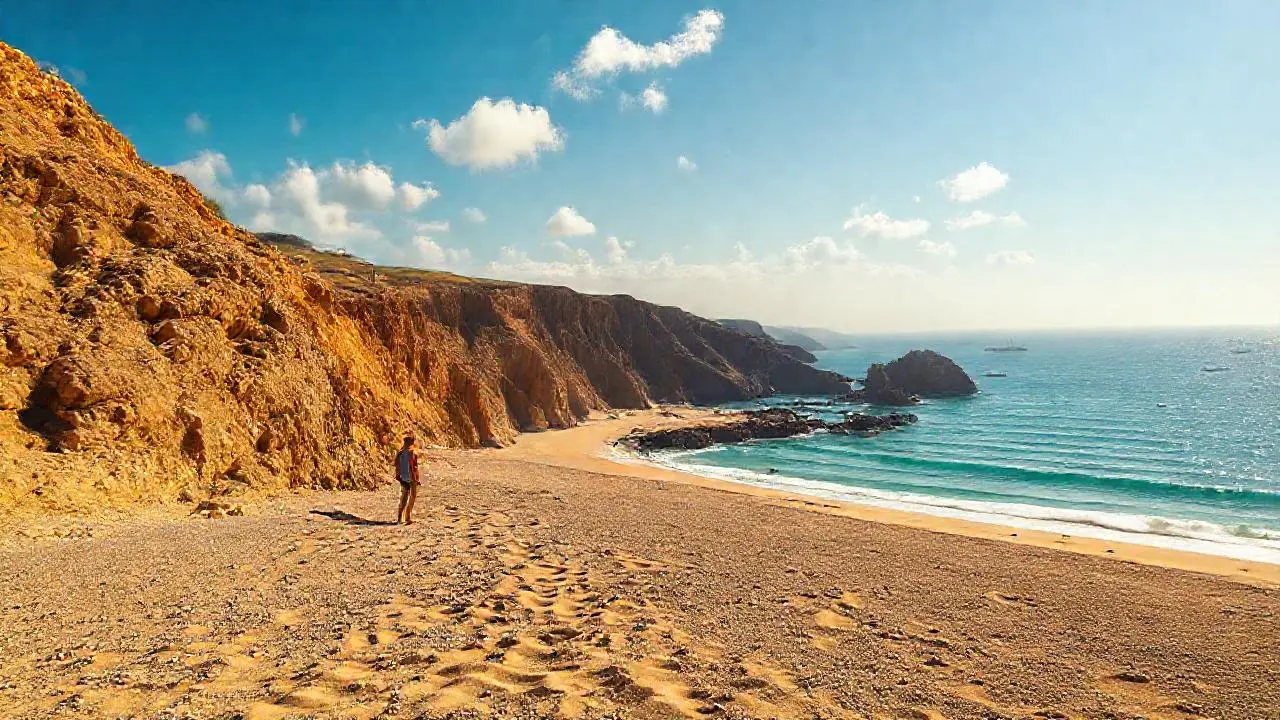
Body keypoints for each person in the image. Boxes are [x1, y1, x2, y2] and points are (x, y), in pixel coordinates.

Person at [395, 435, 420, 525]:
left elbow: (396, 465)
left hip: (403, 478)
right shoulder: (412, 452)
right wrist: (416, 478)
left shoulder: (400, 453)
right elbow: (414, 467)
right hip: (411, 478)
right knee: (412, 497)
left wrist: (399, 476)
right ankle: (407, 517)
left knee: (404, 498)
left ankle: (399, 518)